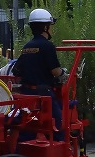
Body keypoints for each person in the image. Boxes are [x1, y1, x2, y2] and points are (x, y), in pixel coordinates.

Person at [12, 8, 68, 141]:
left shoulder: (27, 47)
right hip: (43, 95)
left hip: (26, 94)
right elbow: (55, 71)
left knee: (28, 126)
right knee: (60, 124)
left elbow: (17, 69)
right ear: (45, 27)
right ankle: (61, 155)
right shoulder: (47, 46)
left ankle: (25, 155)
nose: (52, 29)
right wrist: (64, 73)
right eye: (51, 26)